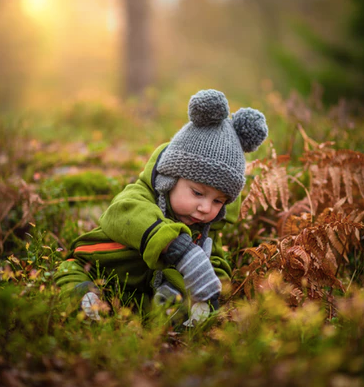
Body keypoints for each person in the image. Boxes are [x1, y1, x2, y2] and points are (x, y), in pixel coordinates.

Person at [54, 89, 268, 324]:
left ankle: (167, 313)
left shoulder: (205, 228)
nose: (206, 208)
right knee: (70, 272)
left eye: (218, 201)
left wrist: (212, 290)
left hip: (140, 293)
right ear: (170, 179)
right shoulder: (140, 196)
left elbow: (214, 260)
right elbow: (122, 213)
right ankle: (86, 299)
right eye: (197, 193)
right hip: (96, 267)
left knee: (182, 299)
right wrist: (178, 247)